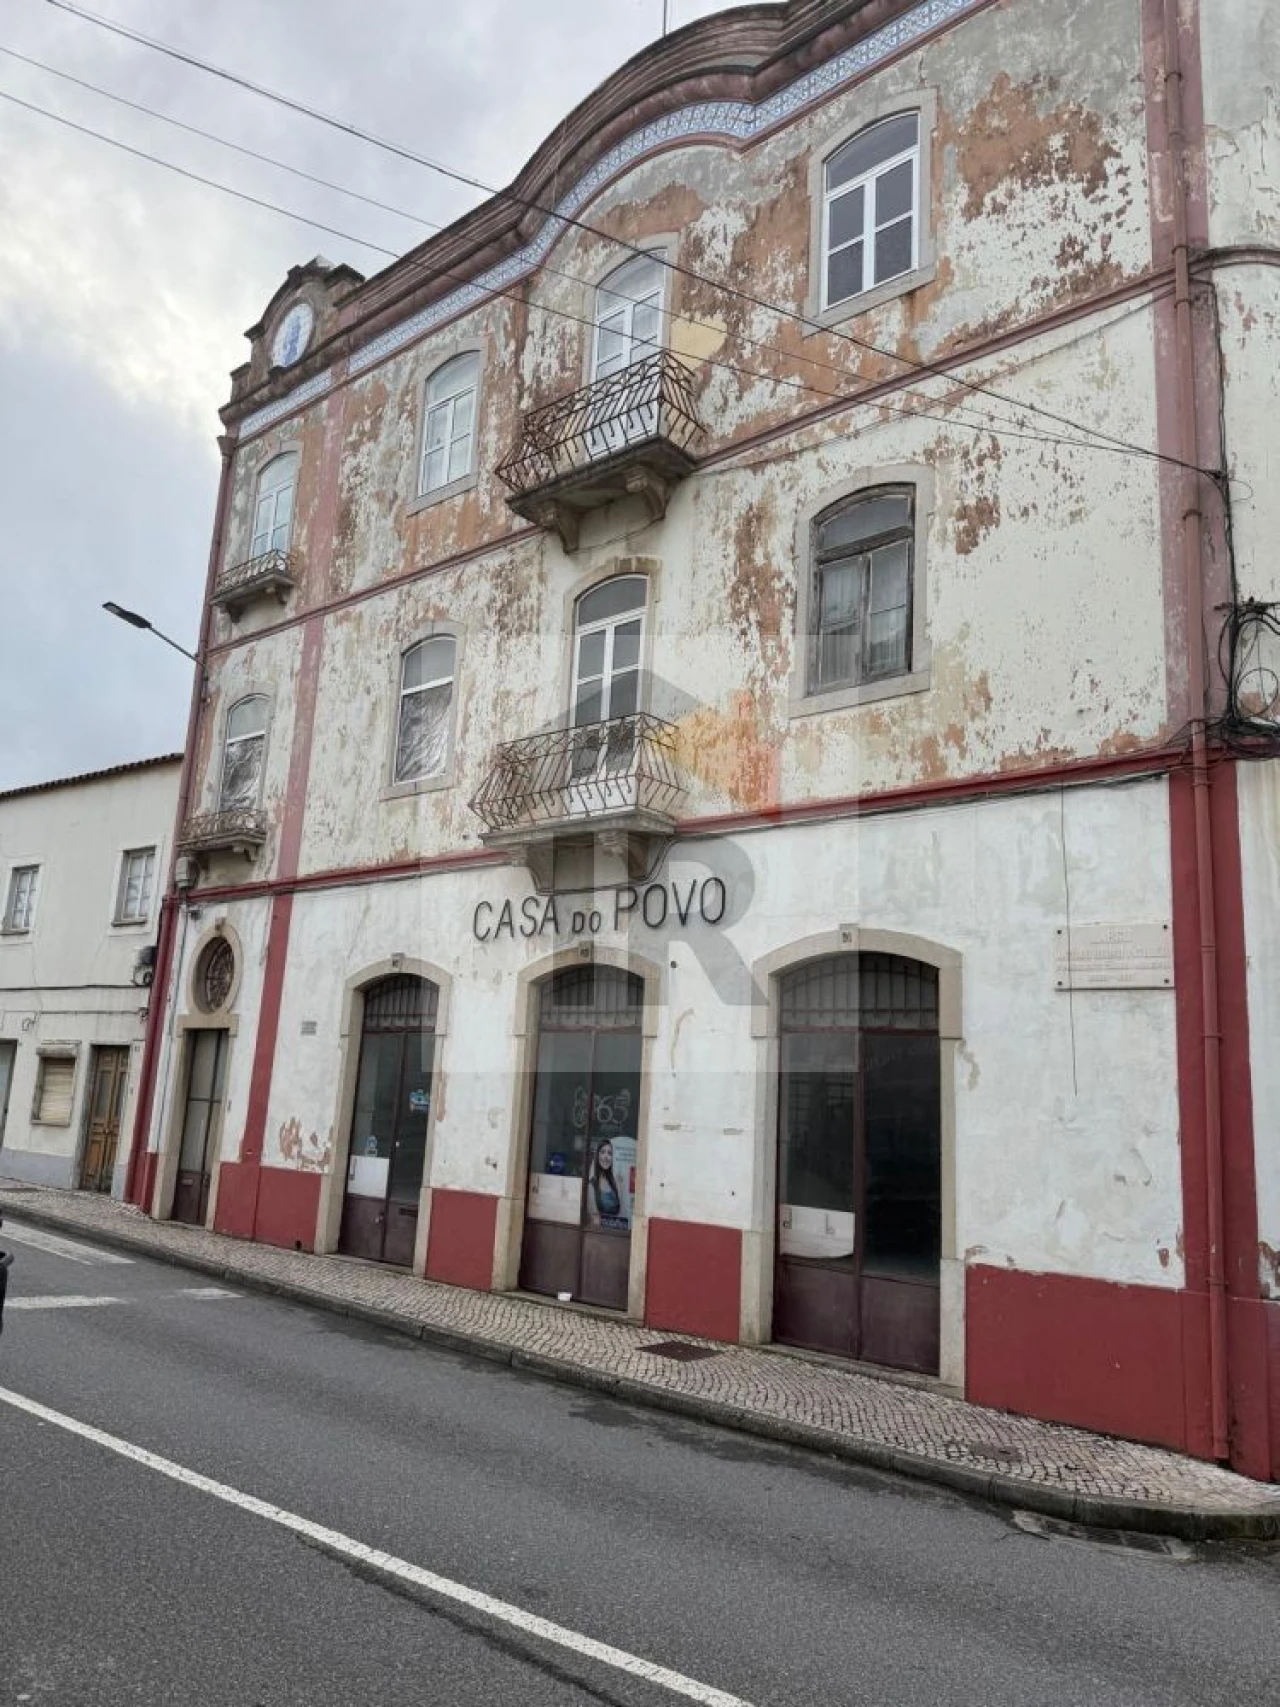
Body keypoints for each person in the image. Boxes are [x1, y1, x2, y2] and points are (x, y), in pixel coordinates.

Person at [590, 1139, 622, 1225]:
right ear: (597, 1156)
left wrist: (619, 1187)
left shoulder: (614, 1183)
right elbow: (594, 1218)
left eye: (609, 1153)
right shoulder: (592, 1183)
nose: (606, 1157)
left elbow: (619, 1211)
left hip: (615, 1232)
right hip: (600, 1232)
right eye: (603, 1152)